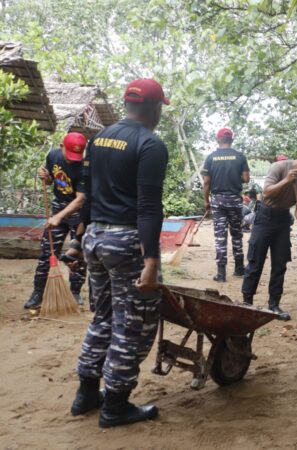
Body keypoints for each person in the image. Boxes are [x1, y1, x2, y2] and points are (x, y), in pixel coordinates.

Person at [71, 78, 169, 428]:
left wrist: (77, 236)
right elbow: (147, 207)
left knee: (103, 317)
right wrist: (152, 261)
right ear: (155, 108)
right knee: (134, 327)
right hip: (126, 244)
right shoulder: (150, 145)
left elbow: (87, 192)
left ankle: (86, 393)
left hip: (95, 239)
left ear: (128, 105)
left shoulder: (99, 140)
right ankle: (115, 405)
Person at [241, 147, 297, 320]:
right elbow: (266, 192)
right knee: (255, 261)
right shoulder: (279, 167)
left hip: (282, 221)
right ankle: (247, 304)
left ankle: (274, 305)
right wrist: (286, 181)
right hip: (264, 217)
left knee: (280, 265)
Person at [24, 132, 88, 309]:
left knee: (78, 256)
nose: (72, 160)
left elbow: (81, 199)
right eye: (69, 155)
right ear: (61, 147)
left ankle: (74, 291)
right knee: (47, 252)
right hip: (58, 208)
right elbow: (52, 180)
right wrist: (46, 178)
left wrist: (58, 217)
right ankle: (38, 293)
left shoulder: (85, 167)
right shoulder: (52, 155)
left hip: (78, 215)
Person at [202, 128, 250, 282]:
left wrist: (206, 201)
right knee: (236, 234)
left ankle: (221, 273)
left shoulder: (210, 158)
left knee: (220, 237)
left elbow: (207, 182)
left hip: (218, 201)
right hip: (235, 201)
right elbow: (246, 178)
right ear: (232, 140)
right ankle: (239, 268)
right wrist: (235, 177)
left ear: (218, 140)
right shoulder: (240, 156)